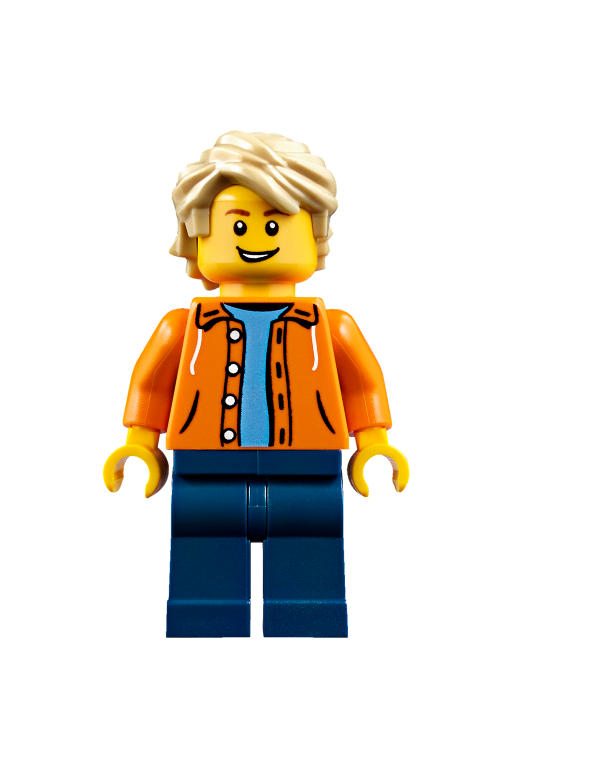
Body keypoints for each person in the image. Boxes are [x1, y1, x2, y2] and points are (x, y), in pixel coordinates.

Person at [103, 131, 409, 637]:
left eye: (275, 224)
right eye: (238, 224)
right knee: (203, 561)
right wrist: (140, 443)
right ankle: (204, 625)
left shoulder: (333, 327)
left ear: (314, 234)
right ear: (198, 236)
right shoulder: (183, 327)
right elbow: (151, 385)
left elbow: (362, 386)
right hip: (204, 470)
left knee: (310, 563)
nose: (258, 239)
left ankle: (307, 624)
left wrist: (373, 443)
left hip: (310, 470)